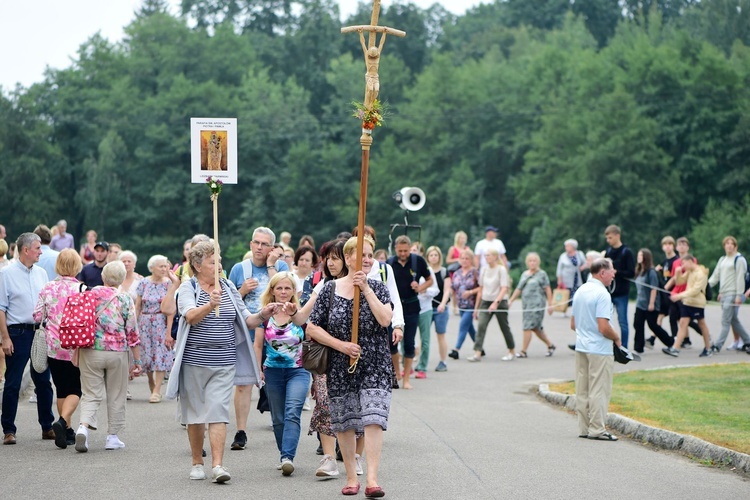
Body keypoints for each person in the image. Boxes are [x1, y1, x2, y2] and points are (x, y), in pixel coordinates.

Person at [166, 241, 272, 483]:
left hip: (224, 361)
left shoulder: (227, 286)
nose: (220, 265)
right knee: (195, 416)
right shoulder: (188, 287)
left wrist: (264, 314)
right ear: (197, 265)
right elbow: (190, 316)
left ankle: (218, 466)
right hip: (194, 360)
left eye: (219, 260)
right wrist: (210, 304)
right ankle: (196, 462)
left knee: (218, 413)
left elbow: (247, 319)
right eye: (213, 261)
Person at [307, 236, 393, 497]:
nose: (368, 260)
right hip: (340, 365)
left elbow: (385, 319)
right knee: (344, 422)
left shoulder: (378, 287)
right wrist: (341, 345)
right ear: (348, 258)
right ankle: (351, 477)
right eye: (362, 255)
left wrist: (366, 288)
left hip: (376, 363)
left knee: (373, 419)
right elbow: (312, 327)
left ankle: (372, 479)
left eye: (370, 255)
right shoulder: (329, 289)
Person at [227, 227, 289, 450]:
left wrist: (272, 265)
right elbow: (228, 300)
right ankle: (241, 431)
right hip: (247, 333)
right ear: (251, 244)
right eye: (256, 243)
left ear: (272, 247)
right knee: (243, 383)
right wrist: (242, 290)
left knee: (276, 382)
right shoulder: (239, 269)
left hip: (275, 334)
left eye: (264, 244)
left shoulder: (280, 267)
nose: (259, 247)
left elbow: (284, 291)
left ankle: (281, 427)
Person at [74, 261, 143, 453]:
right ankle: (112, 437)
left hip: (90, 350)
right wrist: (136, 361)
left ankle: (83, 428)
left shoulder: (89, 295)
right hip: (117, 352)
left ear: (103, 277)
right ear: (121, 279)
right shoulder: (125, 298)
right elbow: (132, 332)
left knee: (90, 393)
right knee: (116, 394)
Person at [0, 233, 55, 445]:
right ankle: (9, 430)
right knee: (13, 383)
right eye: (38, 248)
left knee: (43, 381)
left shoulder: (41, 273)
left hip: (39, 332)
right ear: (26, 250)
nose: (41, 252)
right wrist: (5, 338)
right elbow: (1, 309)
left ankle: (47, 426)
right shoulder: (6, 274)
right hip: (17, 333)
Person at [253, 272, 308, 475]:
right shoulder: (265, 315)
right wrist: (257, 369)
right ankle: (283, 453)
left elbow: (312, 339)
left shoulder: (301, 314)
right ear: (272, 291)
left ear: (294, 291)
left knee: (293, 412)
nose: (283, 292)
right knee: (277, 418)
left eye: (287, 288)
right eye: (279, 288)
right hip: (273, 372)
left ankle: (287, 457)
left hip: (299, 371)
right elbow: (258, 345)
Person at [32, 249, 85, 448]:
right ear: (77, 265)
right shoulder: (82, 289)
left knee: (61, 389)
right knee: (76, 390)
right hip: (75, 346)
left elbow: (37, 316)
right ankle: (63, 422)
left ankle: (68, 431)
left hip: (53, 345)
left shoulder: (47, 287)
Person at [571, 258, 620, 441]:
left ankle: (583, 428)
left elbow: (573, 324)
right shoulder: (602, 294)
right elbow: (603, 327)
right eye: (612, 270)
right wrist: (616, 337)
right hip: (599, 348)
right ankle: (597, 429)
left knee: (582, 389)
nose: (614, 274)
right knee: (599, 389)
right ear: (602, 273)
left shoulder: (580, 291)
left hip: (581, 346)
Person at [387, 235, 432, 390]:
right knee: (391, 343)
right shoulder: (390, 263)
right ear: (395, 249)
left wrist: (420, 288)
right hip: (393, 308)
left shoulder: (417, 261)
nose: (403, 254)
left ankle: (406, 378)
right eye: (400, 251)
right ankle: (397, 373)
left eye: (406, 250)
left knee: (409, 343)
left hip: (412, 306)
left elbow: (430, 279)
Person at [135, 255, 176, 403]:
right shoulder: (143, 282)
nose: (164, 269)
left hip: (161, 321)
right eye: (161, 266)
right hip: (145, 322)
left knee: (161, 355)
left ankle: (157, 390)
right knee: (146, 356)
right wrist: (134, 325)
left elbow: (172, 310)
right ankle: (150, 381)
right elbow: (138, 305)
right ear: (152, 268)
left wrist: (169, 332)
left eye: (166, 266)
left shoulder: (169, 284)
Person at [663, 255, 713, 358]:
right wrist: (677, 273)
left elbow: (695, 290)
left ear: (690, 261)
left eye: (684, 263)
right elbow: (680, 282)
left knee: (701, 324)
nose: (683, 266)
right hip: (688, 302)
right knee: (683, 323)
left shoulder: (701, 273)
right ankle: (675, 348)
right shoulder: (690, 271)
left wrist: (679, 296)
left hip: (697, 303)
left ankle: (708, 348)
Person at [471, 249, 515, 362]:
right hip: (486, 301)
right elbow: (481, 289)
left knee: (504, 326)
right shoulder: (484, 269)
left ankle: (511, 349)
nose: (486, 257)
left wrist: (496, 303)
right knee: (481, 325)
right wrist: (476, 308)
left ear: (495, 257)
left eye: (489, 255)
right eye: (485, 255)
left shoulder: (501, 269)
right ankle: (478, 352)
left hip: (500, 301)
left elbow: (504, 288)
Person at [508, 252, 555, 358]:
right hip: (526, 305)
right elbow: (519, 289)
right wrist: (511, 300)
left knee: (527, 326)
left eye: (534, 261)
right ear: (527, 262)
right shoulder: (525, 274)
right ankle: (550, 345)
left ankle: (523, 351)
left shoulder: (542, 274)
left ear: (538, 262)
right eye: (530, 261)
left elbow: (547, 289)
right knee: (535, 328)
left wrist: (550, 304)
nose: (532, 263)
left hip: (537, 305)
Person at [708, 236, 750, 353]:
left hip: (733, 294)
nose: (729, 245)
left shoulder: (739, 259)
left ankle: (717, 345)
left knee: (725, 321)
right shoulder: (722, 259)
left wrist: (738, 295)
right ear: (724, 246)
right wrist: (705, 287)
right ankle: (747, 341)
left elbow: (740, 279)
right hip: (724, 294)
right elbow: (716, 276)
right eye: (727, 243)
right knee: (733, 320)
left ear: (735, 246)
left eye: (732, 244)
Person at [633, 249, 673, 353]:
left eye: (641, 255)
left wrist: (651, 303)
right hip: (640, 303)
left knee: (653, 325)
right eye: (638, 255)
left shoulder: (651, 272)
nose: (639, 257)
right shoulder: (639, 271)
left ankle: (670, 342)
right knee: (638, 324)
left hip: (650, 304)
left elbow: (654, 289)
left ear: (646, 257)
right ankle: (638, 347)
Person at [664, 237, 700, 347]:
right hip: (676, 292)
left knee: (687, 319)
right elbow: (675, 277)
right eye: (680, 245)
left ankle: (704, 335)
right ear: (677, 247)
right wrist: (667, 287)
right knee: (673, 317)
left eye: (684, 245)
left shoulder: (692, 260)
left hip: (686, 293)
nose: (682, 247)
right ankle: (676, 340)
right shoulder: (675, 262)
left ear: (687, 247)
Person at [603, 225, 635, 349]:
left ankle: (624, 347)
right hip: (609, 292)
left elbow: (631, 273)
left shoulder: (626, 252)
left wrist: (617, 272)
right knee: (605, 320)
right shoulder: (608, 251)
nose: (608, 240)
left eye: (610, 237)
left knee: (622, 321)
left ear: (617, 236)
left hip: (622, 292)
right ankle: (609, 345)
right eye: (607, 238)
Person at [448, 249, 479, 360]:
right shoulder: (457, 273)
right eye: (462, 258)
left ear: (471, 260)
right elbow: (452, 287)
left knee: (463, 325)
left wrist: (470, 292)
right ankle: (479, 347)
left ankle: (456, 350)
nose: (465, 261)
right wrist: (447, 297)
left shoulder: (475, 272)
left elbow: (481, 288)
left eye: (467, 258)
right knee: (469, 328)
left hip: (471, 304)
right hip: (461, 304)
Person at [650, 236, 679, 345]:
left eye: (670, 244)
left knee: (677, 318)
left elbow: (675, 276)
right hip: (665, 294)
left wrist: (666, 286)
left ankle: (676, 340)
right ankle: (653, 339)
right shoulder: (665, 261)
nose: (667, 246)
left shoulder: (676, 260)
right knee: (662, 315)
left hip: (673, 292)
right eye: (665, 244)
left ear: (673, 246)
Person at [428, 246, 452, 371]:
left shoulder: (444, 271)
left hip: (440, 308)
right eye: (431, 255)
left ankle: (443, 361)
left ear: (439, 257)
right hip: (426, 307)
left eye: (435, 255)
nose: (433, 257)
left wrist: (442, 304)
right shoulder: (425, 271)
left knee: (440, 334)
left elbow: (447, 290)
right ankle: (422, 361)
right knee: (424, 335)